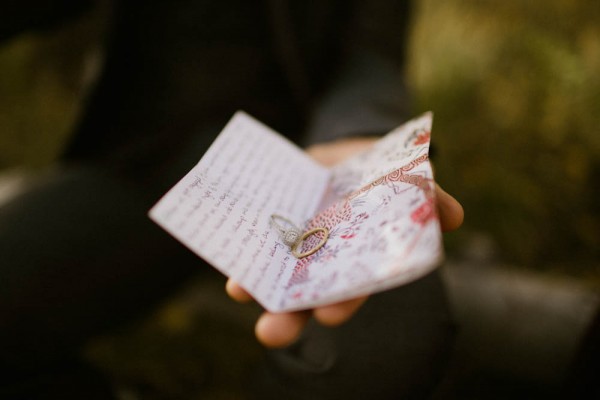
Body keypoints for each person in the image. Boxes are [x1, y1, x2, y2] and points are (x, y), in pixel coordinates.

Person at [0, 1, 463, 398]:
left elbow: (369, 57)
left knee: (386, 350)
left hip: (304, 169)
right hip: (146, 160)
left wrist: (360, 138)